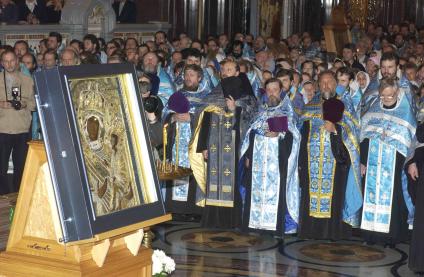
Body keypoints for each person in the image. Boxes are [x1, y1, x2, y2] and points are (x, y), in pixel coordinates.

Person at [298, 70, 362, 240]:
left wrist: (335, 130)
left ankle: (333, 233)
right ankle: (311, 231)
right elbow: (301, 134)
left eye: (330, 82)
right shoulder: (310, 106)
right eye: (323, 83)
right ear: (318, 85)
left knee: (335, 197)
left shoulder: (345, 106)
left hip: (336, 162)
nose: (326, 86)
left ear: (336, 84)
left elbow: (352, 134)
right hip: (311, 163)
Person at [190, 76, 253, 229]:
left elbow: (247, 127)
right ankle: (212, 220)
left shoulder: (245, 103)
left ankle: (232, 220)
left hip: (234, 152)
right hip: (213, 150)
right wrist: (203, 147)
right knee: (213, 183)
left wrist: (234, 109)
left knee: (232, 185)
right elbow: (204, 123)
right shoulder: (212, 101)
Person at [240, 78, 300, 237]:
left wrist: (279, 133)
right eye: (269, 90)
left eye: (275, 89)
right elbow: (250, 134)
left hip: (278, 161)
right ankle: (256, 225)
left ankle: (275, 227)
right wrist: (248, 155)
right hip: (258, 163)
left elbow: (294, 135)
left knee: (277, 193)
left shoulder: (289, 111)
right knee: (256, 192)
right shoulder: (260, 111)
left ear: (281, 91)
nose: (272, 93)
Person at [360, 77, 416, 247]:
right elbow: (363, 138)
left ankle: (391, 237)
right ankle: (371, 235)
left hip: (394, 167)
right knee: (371, 196)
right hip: (372, 165)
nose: (386, 99)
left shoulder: (406, 114)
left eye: (390, 96)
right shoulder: (373, 110)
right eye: (383, 96)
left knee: (393, 199)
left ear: (397, 93)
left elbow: (410, 142)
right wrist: (362, 162)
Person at [0, 50, 36, 194]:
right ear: (2, 63)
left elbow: (34, 104)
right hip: (2, 128)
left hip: (21, 129)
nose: (9, 64)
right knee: (1, 168)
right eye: (5, 61)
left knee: (20, 166)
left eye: (11, 60)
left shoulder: (27, 80)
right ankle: (3, 196)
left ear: (17, 61)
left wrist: (23, 104)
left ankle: (18, 195)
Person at [163, 92, 201, 219]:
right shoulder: (173, 103)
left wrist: (192, 118)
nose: (189, 77)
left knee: (192, 179)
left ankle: (192, 211)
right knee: (175, 177)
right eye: (187, 74)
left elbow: (204, 120)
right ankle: (175, 210)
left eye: (192, 74)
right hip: (176, 153)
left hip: (192, 153)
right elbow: (163, 122)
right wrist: (172, 118)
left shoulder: (201, 98)